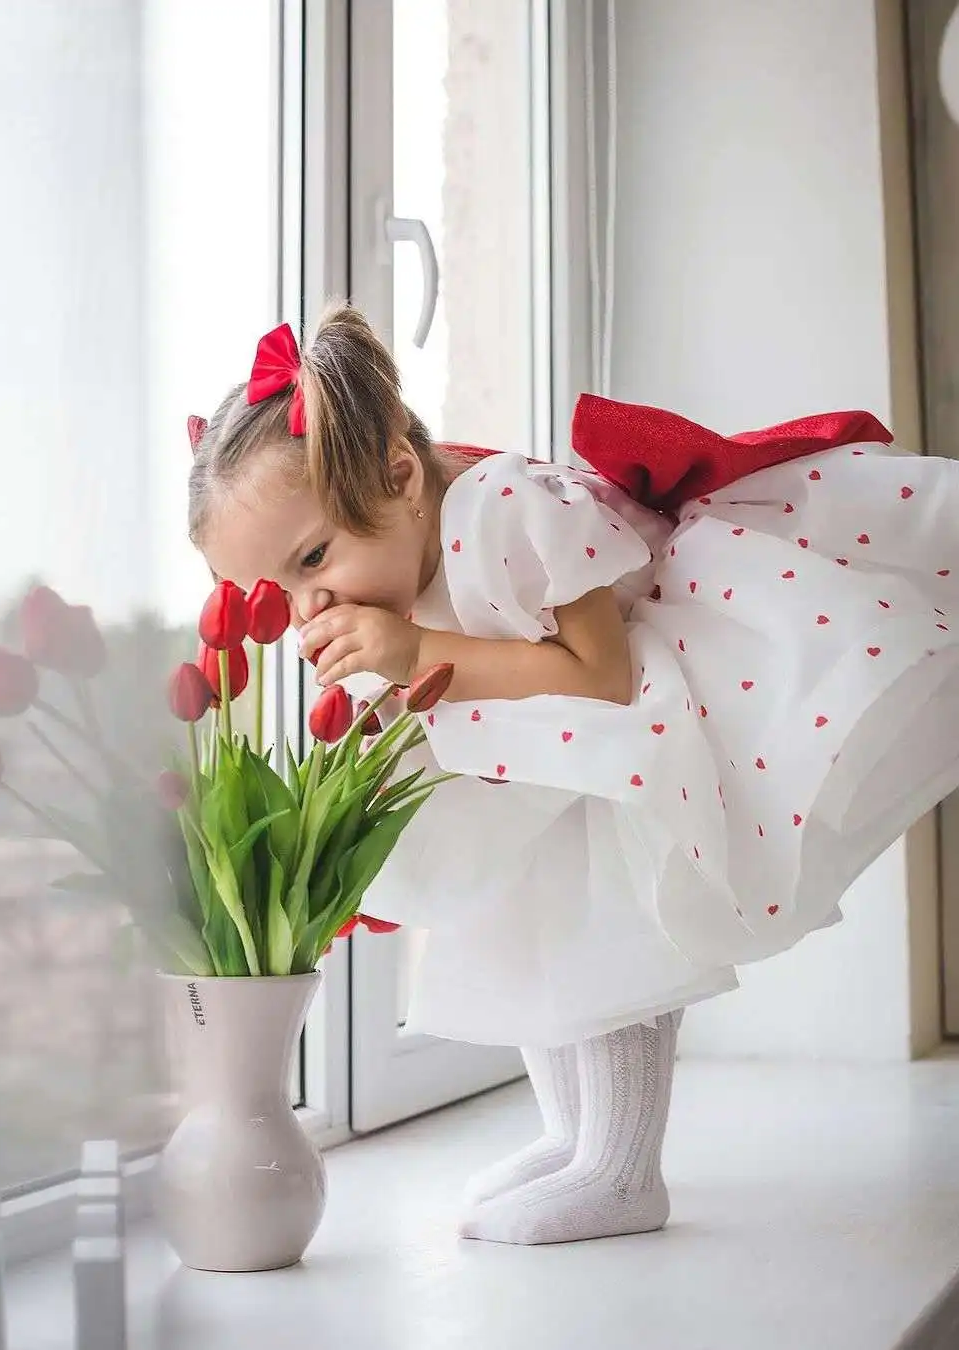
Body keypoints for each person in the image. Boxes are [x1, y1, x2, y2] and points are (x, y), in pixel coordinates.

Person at [187, 303, 959, 1246]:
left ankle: (622, 1166)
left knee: (606, 928)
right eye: (283, 589)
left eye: (316, 560)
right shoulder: (400, 545)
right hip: (539, 761)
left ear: (398, 474)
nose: (313, 604)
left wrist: (412, 645)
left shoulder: (504, 511)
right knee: (523, 918)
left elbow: (605, 676)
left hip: (629, 731)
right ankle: (573, 1138)